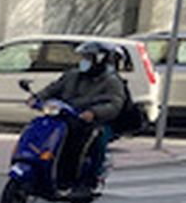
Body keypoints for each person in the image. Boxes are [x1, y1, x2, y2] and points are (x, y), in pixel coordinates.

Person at [30, 41, 125, 193]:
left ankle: (69, 179)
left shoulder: (111, 82)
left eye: (88, 58)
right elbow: (53, 88)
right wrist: (37, 98)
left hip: (88, 122)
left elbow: (114, 104)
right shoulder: (72, 75)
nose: (84, 61)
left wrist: (93, 112)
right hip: (65, 114)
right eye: (84, 57)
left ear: (101, 60)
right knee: (40, 128)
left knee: (75, 143)